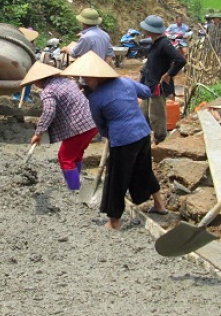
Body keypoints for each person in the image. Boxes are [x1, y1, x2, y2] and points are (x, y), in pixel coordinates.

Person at [61, 52, 168, 230]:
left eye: (87, 79)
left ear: (96, 77)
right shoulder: (125, 82)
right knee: (143, 170)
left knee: (116, 179)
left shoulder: (96, 98)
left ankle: (114, 221)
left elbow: (100, 124)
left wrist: (109, 135)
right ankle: (160, 205)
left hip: (123, 139)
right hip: (142, 133)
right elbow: (146, 92)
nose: (85, 82)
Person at [23, 61, 98, 192]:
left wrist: (39, 132)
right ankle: (75, 180)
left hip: (78, 127)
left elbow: (49, 111)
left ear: (39, 80)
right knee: (77, 153)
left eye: (34, 82)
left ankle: (73, 188)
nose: (35, 85)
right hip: (92, 123)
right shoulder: (67, 82)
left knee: (65, 157)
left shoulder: (48, 91)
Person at [138, 15, 187, 144]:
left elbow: (180, 60)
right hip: (149, 84)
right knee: (144, 114)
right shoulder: (154, 43)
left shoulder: (164, 43)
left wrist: (169, 74)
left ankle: (160, 140)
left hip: (157, 86)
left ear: (150, 30)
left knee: (156, 116)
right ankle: (145, 140)